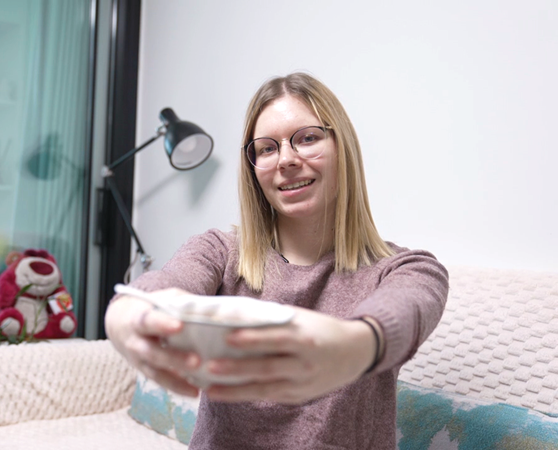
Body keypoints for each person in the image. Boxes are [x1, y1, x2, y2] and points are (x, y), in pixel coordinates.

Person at [104, 72, 449, 449]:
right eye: (267, 149)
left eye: (308, 138)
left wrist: (353, 347)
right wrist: (123, 316)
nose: (286, 159)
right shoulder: (220, 251)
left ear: (342, 148)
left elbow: (403, 314)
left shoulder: (408, 269)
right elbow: (163, 284)